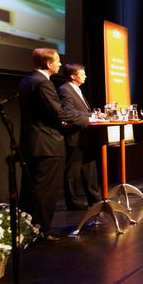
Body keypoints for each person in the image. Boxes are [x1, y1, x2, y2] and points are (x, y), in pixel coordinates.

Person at [19, 48, 85, 241]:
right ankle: (43, 231)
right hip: (47, 145)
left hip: (32, 143)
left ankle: (29, 229)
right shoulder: (43, 83)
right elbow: (59, 113)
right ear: (48, 64)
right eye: (57, 61)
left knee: (33, 190)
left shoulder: (27, 81)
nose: (59, 64)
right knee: (45, 192)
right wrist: (88, 120)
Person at [58, 63, 100, 210]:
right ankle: (73, 202)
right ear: (72, 76)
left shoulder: (77, 90)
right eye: (82, 74)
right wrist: (91, 116)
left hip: (85, 135)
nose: (85, 76)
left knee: (90, 167)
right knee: (73, 170)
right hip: (74, 135)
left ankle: (94, 198)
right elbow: (67, 111)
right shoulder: (65, 89)